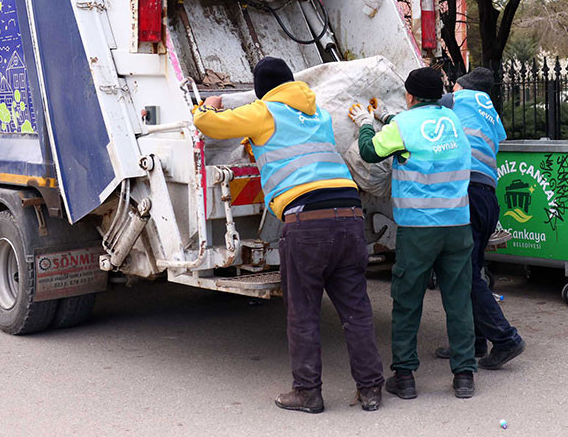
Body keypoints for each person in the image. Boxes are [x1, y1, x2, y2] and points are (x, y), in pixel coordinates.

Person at [193, 56, 384, 414]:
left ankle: (308, 393)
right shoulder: (318, 114)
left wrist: (210, 104)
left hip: (307, 223)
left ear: (263, 89)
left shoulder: (264, 112)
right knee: (356, 309)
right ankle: (371, 389)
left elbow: (208, 125)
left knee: (304, 312)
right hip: (349, 215)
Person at [351, 66, 477, 399]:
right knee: (458, 301)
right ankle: (464, 376)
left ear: (410, 96)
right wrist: (388, 118)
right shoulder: (454, 123)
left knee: (407, 302)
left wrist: (366, 124)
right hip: (458, 226)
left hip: (419, 229)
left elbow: (369, 152)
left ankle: (405, 377)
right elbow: (426, 137)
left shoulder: (404, 125)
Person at [434, 67, 525, 369]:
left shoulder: (456, 100)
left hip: (466, 192)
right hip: (487, 195)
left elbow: (422, 111)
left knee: (464, 272)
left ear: (460, 86)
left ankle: (505, 338)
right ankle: (473, 342)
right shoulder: (490, 111)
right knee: (471, 267)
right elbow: (500, 138)